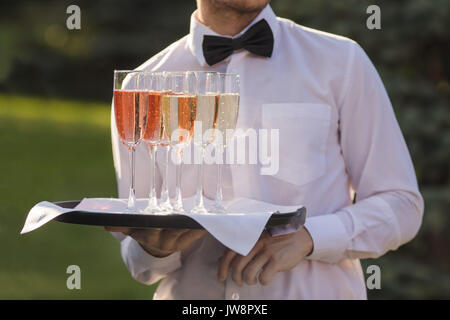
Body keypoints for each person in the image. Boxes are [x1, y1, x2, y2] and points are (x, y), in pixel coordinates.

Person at [106, 0, 424, 299]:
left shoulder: (341, 62)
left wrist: (312, 237)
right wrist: (154, 251)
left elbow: (402, 203)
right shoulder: (141, 87)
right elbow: (140, 264)